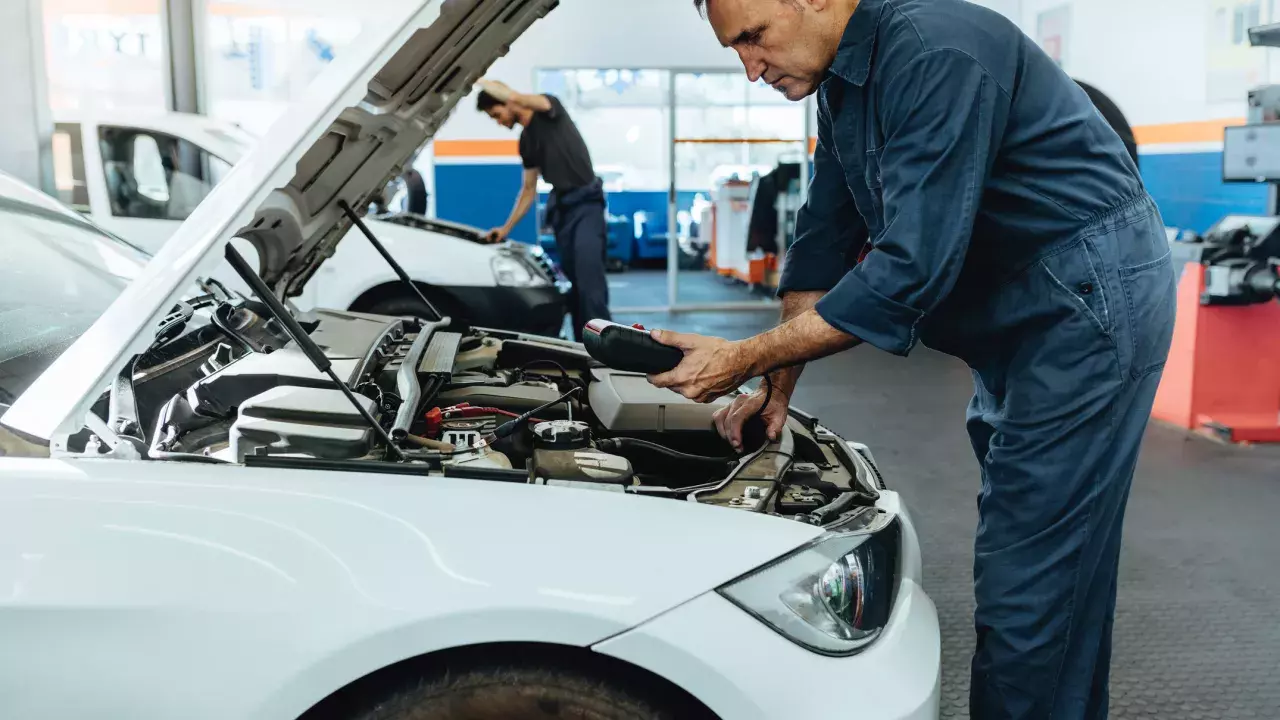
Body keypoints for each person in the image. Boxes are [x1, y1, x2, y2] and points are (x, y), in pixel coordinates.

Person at [649, 1, 1176, 718]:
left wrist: (739, 357)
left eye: (753, 37)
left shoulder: (934, 53)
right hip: (1022, 306)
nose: (749, 68)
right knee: (1059, 558)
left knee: (1028, 575)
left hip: (1083, 304)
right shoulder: (844, 81)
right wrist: (774, 386)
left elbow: (908, 271)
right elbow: (824, 237)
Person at [475, 78, 611, 340]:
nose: (499, 122)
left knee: (590, 284)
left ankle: (607, 349)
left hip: (587, 206)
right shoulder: (526, 141)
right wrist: (505, 229)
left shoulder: (549, 110)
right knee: (573, 287)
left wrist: (481, 80)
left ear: (507, 103)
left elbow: (516, 95)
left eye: (497, 114)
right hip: (563, 210)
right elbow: (528, 190)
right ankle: (585, 347)